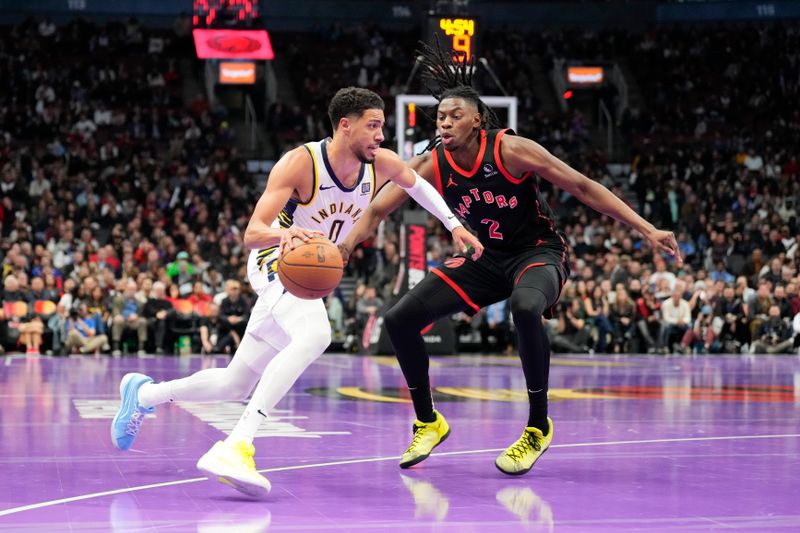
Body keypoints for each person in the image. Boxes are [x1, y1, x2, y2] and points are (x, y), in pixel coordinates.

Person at [110, 87, 482, 498]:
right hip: (275, 261)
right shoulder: (300, 163)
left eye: (382, 127)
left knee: (234, 384)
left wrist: (455, 225)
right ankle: (237, 445)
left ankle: (143, 394)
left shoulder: (380, 163)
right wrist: (286, 233)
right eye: (373, 126)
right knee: (316, 334)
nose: (381, 135)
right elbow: (252, 234)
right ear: (346, 125)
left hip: (306, 273)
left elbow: (417, 185)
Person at [339, 43, 681, 476]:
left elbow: (582, 186)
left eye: (455, 116)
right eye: (441, 117)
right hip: (484, 257)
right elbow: (375, 210)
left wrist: (646, 228)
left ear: (478, 119)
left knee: (523, 307)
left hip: (537, 253)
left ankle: (538, 426)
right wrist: (345, 247)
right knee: (398, 320)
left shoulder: (511, 150)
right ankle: (428, 421)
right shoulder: (430, 163)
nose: (445, 123)